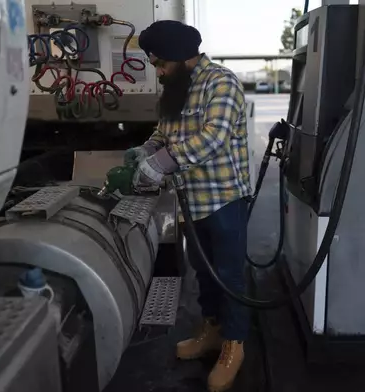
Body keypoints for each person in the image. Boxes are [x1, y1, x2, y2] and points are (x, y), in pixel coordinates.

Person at [123, 20, 252, 392]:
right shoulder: (176, 90)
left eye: (161, 64)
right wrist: (145, 151)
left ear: (181, 57)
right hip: (190, 201)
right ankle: (211, 330)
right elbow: (163, 133)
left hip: (224, 200)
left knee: (229, 276)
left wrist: (161, 164)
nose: (158, 71)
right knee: (204, 272)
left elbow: (213, 138)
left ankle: (234, 345)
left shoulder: (221, 83)